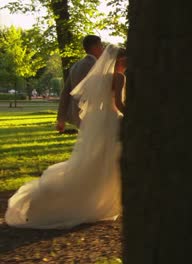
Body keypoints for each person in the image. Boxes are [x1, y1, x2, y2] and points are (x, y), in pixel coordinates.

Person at [5, 45, 127, 229]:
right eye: (126, 61)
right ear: (120, 60)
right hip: (112, 120)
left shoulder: (97, 77)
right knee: (107, 160)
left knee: (94, 161)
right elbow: (118, 103)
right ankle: (105, 200)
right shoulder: (119, 77)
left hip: (98, 121)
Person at [56, 35, 104, 132]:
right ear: (95, 47)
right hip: (92, 113)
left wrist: (61, 118)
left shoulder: (76, 66)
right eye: (101, 46)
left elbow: (65, 92)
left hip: (77, 115)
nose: (103, 49)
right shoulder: (95, 66)